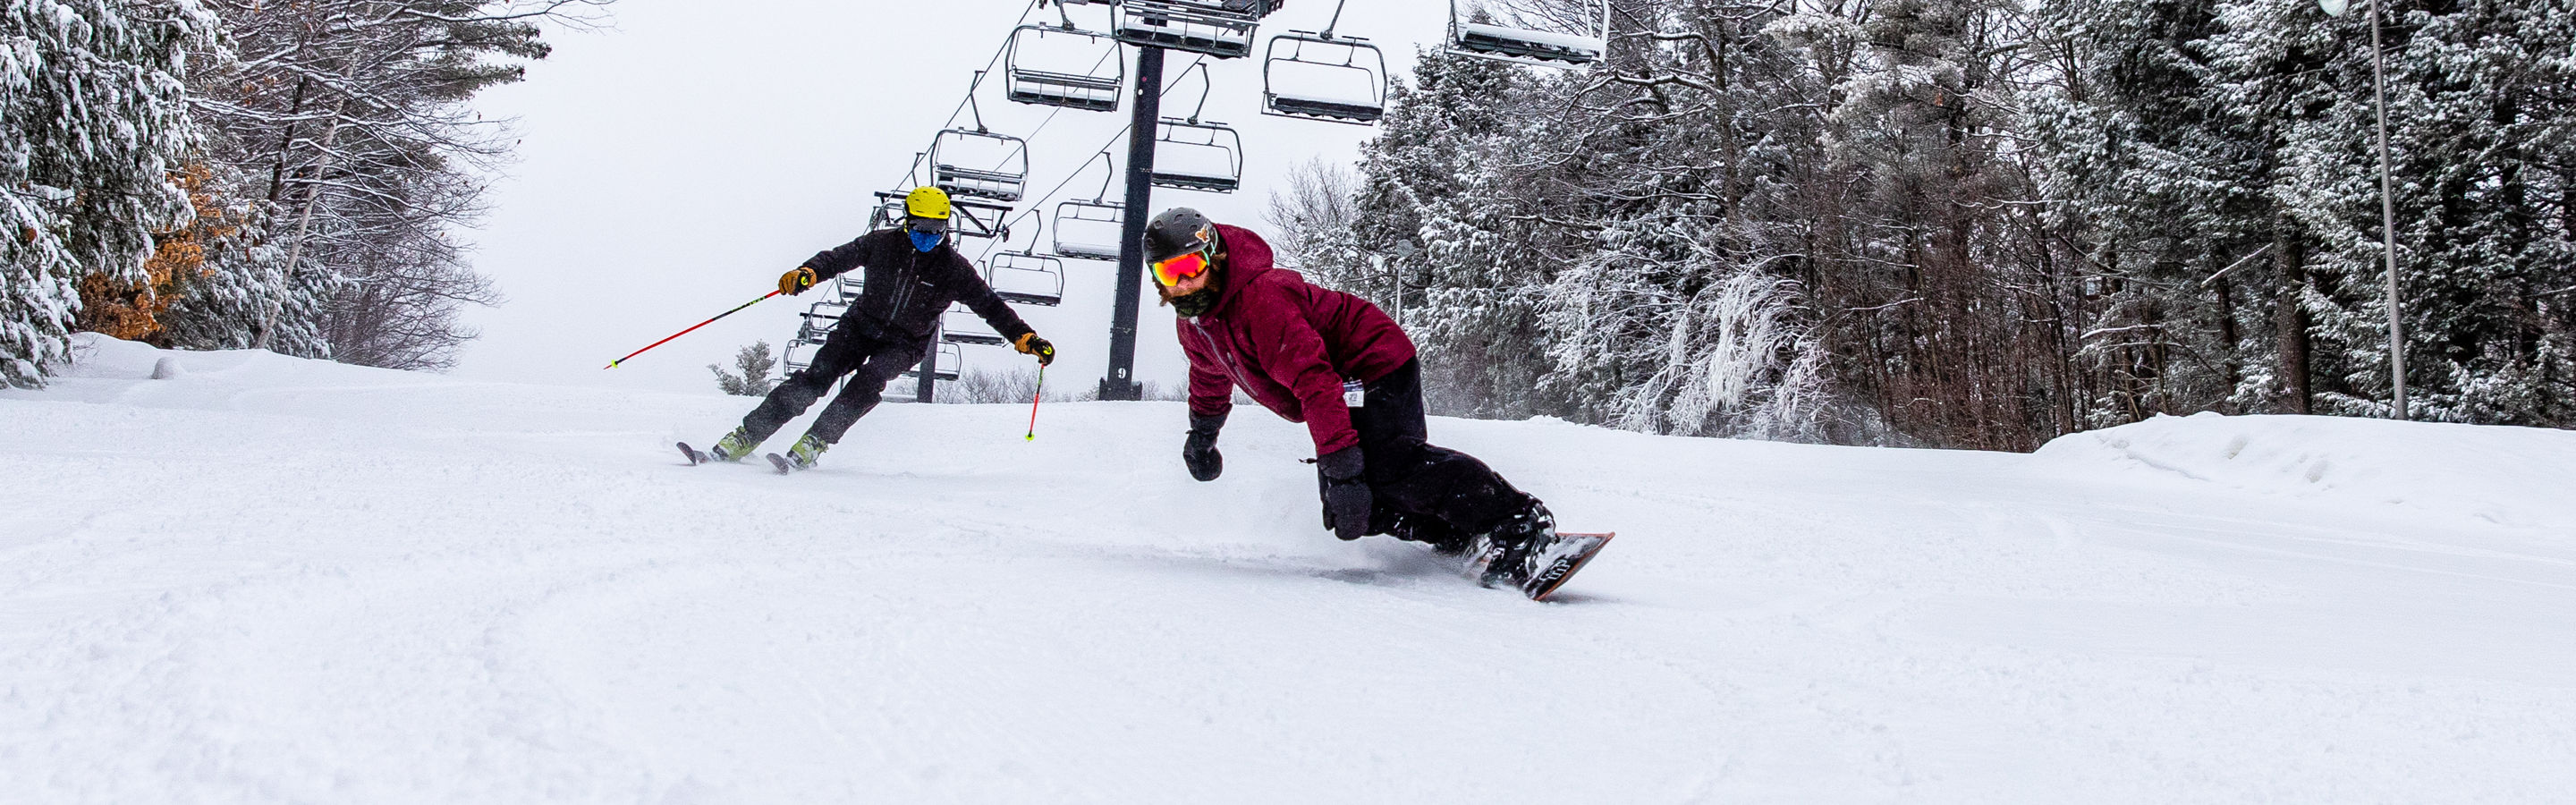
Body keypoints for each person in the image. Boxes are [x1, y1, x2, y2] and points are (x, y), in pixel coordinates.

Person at [1145, 208, 1561, 589]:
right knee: (1356, 510)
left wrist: (1343, 470)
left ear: (1213, 257)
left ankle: (1518, 521)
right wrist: (1203, 434)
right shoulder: (1196, 326)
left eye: (1190, 266)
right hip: (1336, 382)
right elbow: (1208, 373)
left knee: (1385, 464)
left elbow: (1314, 382)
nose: (1182, 283)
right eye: (1169, 273)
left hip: (1373, 358)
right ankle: (1455, 531)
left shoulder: (1261, 301)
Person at [692, 187, 1055, 470]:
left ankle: (815, 441)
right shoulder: (882, 244)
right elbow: (838, 257)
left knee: (867, 382)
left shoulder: (953, 269)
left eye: (936, 229)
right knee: (816, 377)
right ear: (906, 220)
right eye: (920, 227)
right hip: (860, 325)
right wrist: (809, 272)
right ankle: (745, 436)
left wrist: (1024, 337)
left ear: (946, 227)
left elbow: (990, 306)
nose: (927, 235)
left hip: (906, 342)